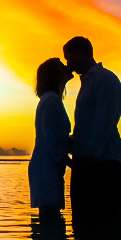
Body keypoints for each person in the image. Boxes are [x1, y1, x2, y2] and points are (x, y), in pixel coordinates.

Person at [63, 36, 121, 228]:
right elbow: (88, 126)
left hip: (102, 164)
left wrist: (87, 158)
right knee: (84, 225)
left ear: (79, 53)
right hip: (89, 162)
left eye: (69, 58)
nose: (69, 65)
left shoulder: (104, 80)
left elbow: (104, 123)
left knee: (104, 224)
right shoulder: (89, 82)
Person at [29, 58, 73, 223]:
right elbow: (51, 138)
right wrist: (73, 164)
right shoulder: (51, 100)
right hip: (46, 168)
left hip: (47, 167)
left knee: (50, 222)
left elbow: (56, 137)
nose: (66, 66)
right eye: (61, 65)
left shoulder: (51, 100)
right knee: (50, 224)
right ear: (55, 74)